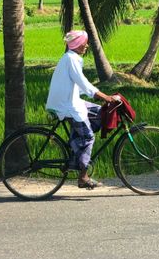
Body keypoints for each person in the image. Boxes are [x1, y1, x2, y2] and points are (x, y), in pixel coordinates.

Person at [45, 30, 116, 189]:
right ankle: (83, 177)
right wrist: (104, 96)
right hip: (66, 105)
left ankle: (75, 154)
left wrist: (98, 95)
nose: (87, 46)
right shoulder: (71, 59)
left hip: (70, 101)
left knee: (99, 112)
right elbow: (82, 82)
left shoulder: (72, 58)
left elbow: (78, 85)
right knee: (88, 137)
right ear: (78, 44)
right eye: (85, 43)